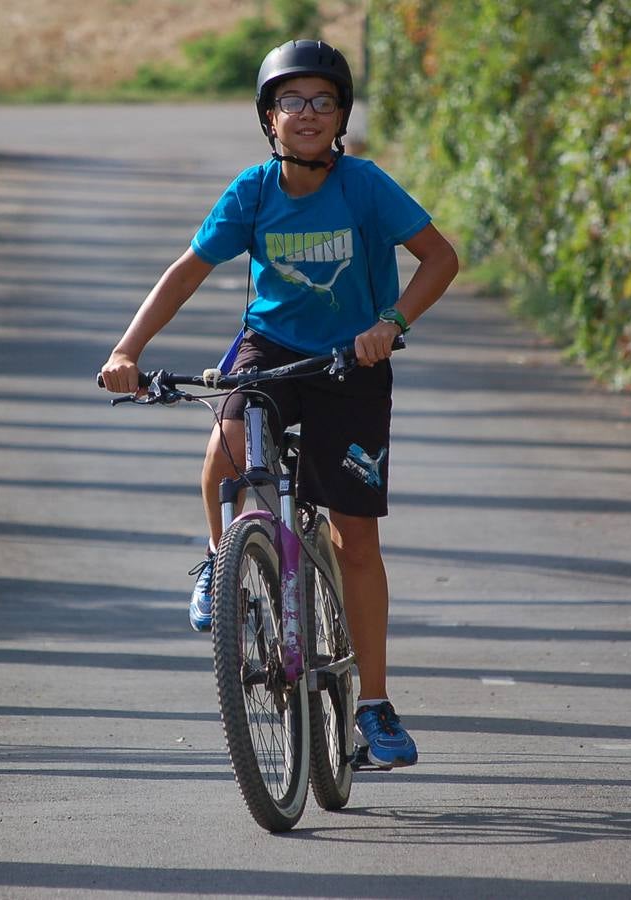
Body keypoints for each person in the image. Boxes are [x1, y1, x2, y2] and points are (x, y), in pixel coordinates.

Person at [99, 39, 458, 768]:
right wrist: (125, 350)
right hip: (270, 347)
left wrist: (390, 326)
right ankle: (217, 558)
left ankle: (373, 706)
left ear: (340, 118)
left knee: (356, 537)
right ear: (267, 118)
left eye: (322, 102)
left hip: (352, 359)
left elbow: (440, 257)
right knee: (226, 444)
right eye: (289, 102)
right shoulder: (252, 192)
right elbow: (185, 271)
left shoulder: (363, 186)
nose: (306, 114)